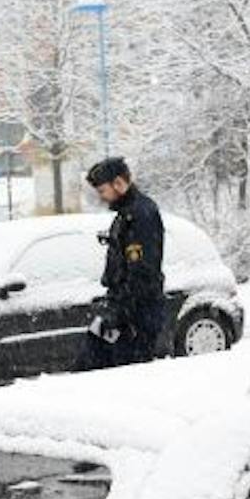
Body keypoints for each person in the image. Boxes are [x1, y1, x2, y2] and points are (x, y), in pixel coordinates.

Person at [79, 156, 165, 371]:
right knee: (89, 362)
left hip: (136, 315)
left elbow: (143, 271)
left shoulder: (141, 215)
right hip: (119, 307)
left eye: (102, 191)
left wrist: (122, 312)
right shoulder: (125, 214)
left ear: (118, 183)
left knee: (123, 375)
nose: (102, 197)